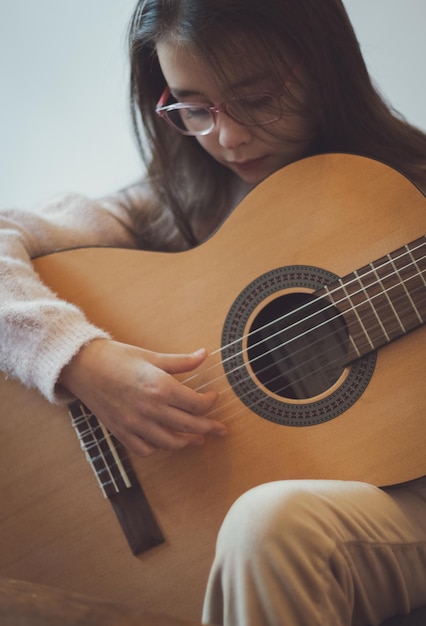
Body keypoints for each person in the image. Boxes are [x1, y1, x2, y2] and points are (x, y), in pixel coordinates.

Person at [1, 0, 425, 624]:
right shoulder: (171, 203)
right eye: (193, 107)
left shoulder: (409, 192)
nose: (225, 137)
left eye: (255, 99)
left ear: (325, 69)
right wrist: (84, 362)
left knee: (269, 522)